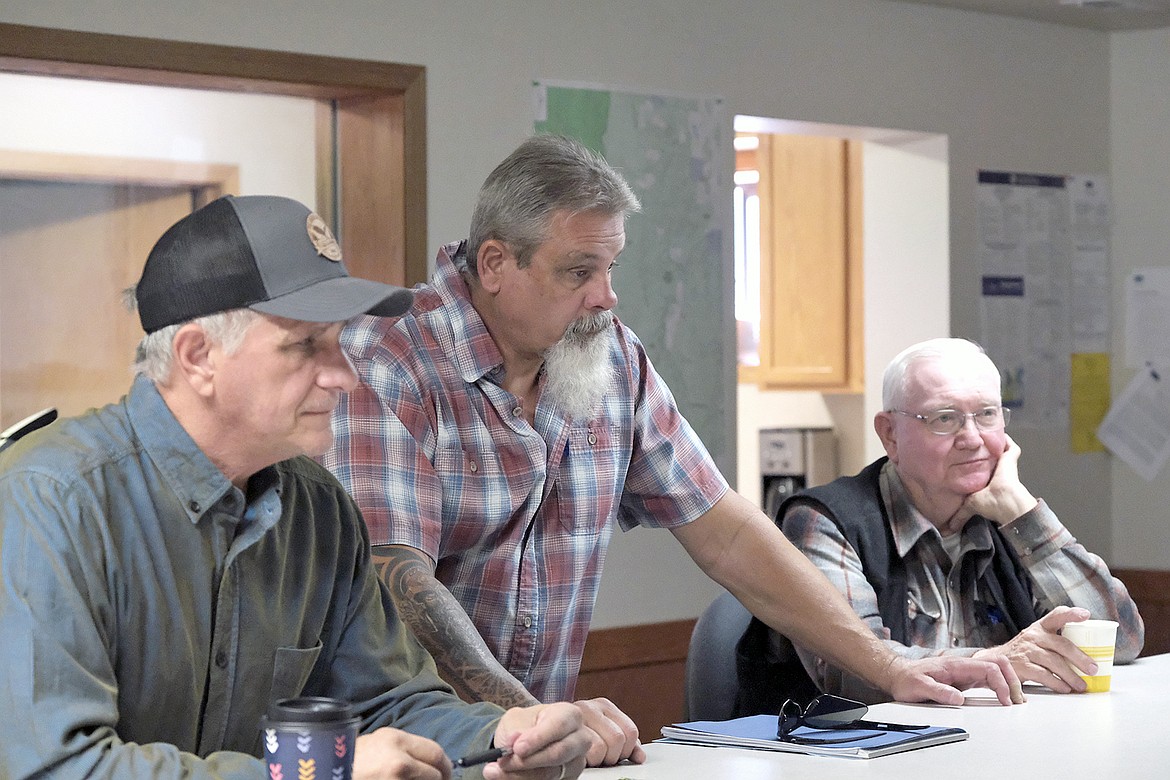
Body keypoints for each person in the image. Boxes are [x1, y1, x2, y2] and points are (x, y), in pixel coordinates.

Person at [321, 135, 1022, 768]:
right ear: (498, 264)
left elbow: (726, 532)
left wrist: (888, 664)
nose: (607, 296)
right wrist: (526, 717)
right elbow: (398, 584)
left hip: (535, 750)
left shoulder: (611, 360)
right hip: (396, 751)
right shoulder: (389, 359)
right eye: (578, 272)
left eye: (612, 266)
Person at [0, 194, 591, 780]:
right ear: (198, 356)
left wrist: (502, 737)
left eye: (338, 340)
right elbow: (58, 767)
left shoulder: (318, 508)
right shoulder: (50, 501)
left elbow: (387, 703)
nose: (345, 374)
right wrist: (314, 773)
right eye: (305, 345)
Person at [757, 337, 1144, 705]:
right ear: (889, 434)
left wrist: (1023, 512)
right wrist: (999, 660)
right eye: (945, 419)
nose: (973, 438)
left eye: (987, 415)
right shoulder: (824, 520)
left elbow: (1120, 640)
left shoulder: (1008, 522)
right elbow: (851, 669)